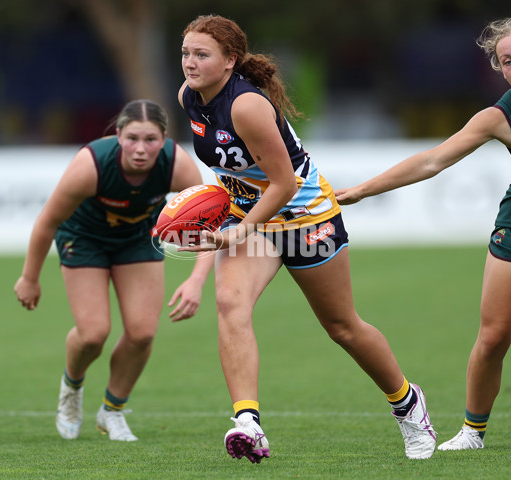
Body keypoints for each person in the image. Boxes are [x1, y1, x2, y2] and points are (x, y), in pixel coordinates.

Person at [178, 14, 436, 462]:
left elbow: (284, 186)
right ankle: (247, 422)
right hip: (253, 218)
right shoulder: (189, 97)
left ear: (229, 62)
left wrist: (237, 230)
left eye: (202, 54)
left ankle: (408, 403)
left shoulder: (246, 105)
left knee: (342, 327)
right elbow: (226, 168)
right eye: (185, 52)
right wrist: (214, 212)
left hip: (304, 217)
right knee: (230, 303)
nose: (190, 62)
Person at [336, 18, 511, 451]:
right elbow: (433, 161)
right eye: (508, 61)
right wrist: (362, 189)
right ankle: (472, 433)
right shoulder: (499, 115)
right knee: (491, 338)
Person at [14, 99, 215, 441]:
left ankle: (112, 410)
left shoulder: (177, 165)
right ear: (118, 135)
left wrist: (196, 281)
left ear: (164, 138)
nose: (140, 149)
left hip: (136, 239)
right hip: (84, 238)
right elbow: (47, 222)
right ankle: (71, 389)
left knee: (142, 333)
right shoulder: (91, 165)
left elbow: (207, 227)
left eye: (150, 139)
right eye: (132, 138)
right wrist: (29, 278)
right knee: (93, 334)